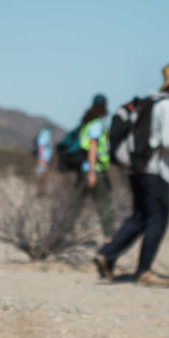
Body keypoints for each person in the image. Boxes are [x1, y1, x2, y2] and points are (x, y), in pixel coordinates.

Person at [93, 61, 169, 288]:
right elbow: (167, 142)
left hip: (135, 168)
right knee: (158, 218)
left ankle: (107, 255)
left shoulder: (147, 103)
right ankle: (143, 271)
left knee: (140, 216)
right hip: (156, 171)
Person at [66, 94, 118, 239]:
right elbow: (93, 148)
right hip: (94, 169)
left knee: (75, 203)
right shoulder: (96, 124)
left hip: (85, 169)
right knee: (104, 204)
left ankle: (62, 232)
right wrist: (92, 172)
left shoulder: (87, 123)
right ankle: (110, 238)